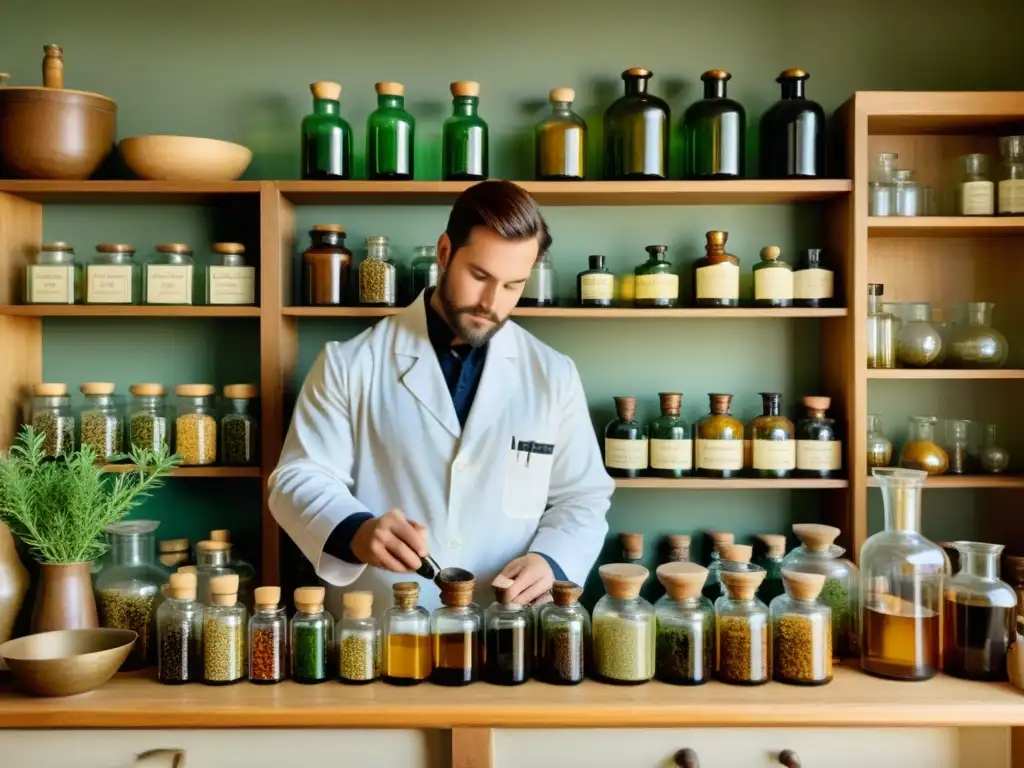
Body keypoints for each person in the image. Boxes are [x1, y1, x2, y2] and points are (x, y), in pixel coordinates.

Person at [268, 179, 614, 612]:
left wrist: (550, 562)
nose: (492, 302)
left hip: (506, 629)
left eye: (512, 286)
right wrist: (356, 531)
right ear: (445, 252)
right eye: (481, 276)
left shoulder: (553, 374)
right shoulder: (350, 363)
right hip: (381, 629)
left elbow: (583, 496)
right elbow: (296, 478)